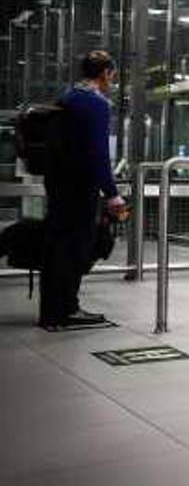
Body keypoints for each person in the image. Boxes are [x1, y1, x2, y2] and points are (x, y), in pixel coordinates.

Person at [39, 50, 126, 330]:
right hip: (79, 188)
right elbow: (99, 153)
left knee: (56, 247)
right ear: (105, 74)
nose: (112, 80)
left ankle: (52, 311)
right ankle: (66, 310)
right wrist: (112, 193)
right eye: (112, 74)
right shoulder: (96, 103)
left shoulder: (68, 96)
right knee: (75, 248)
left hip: (58, 184)